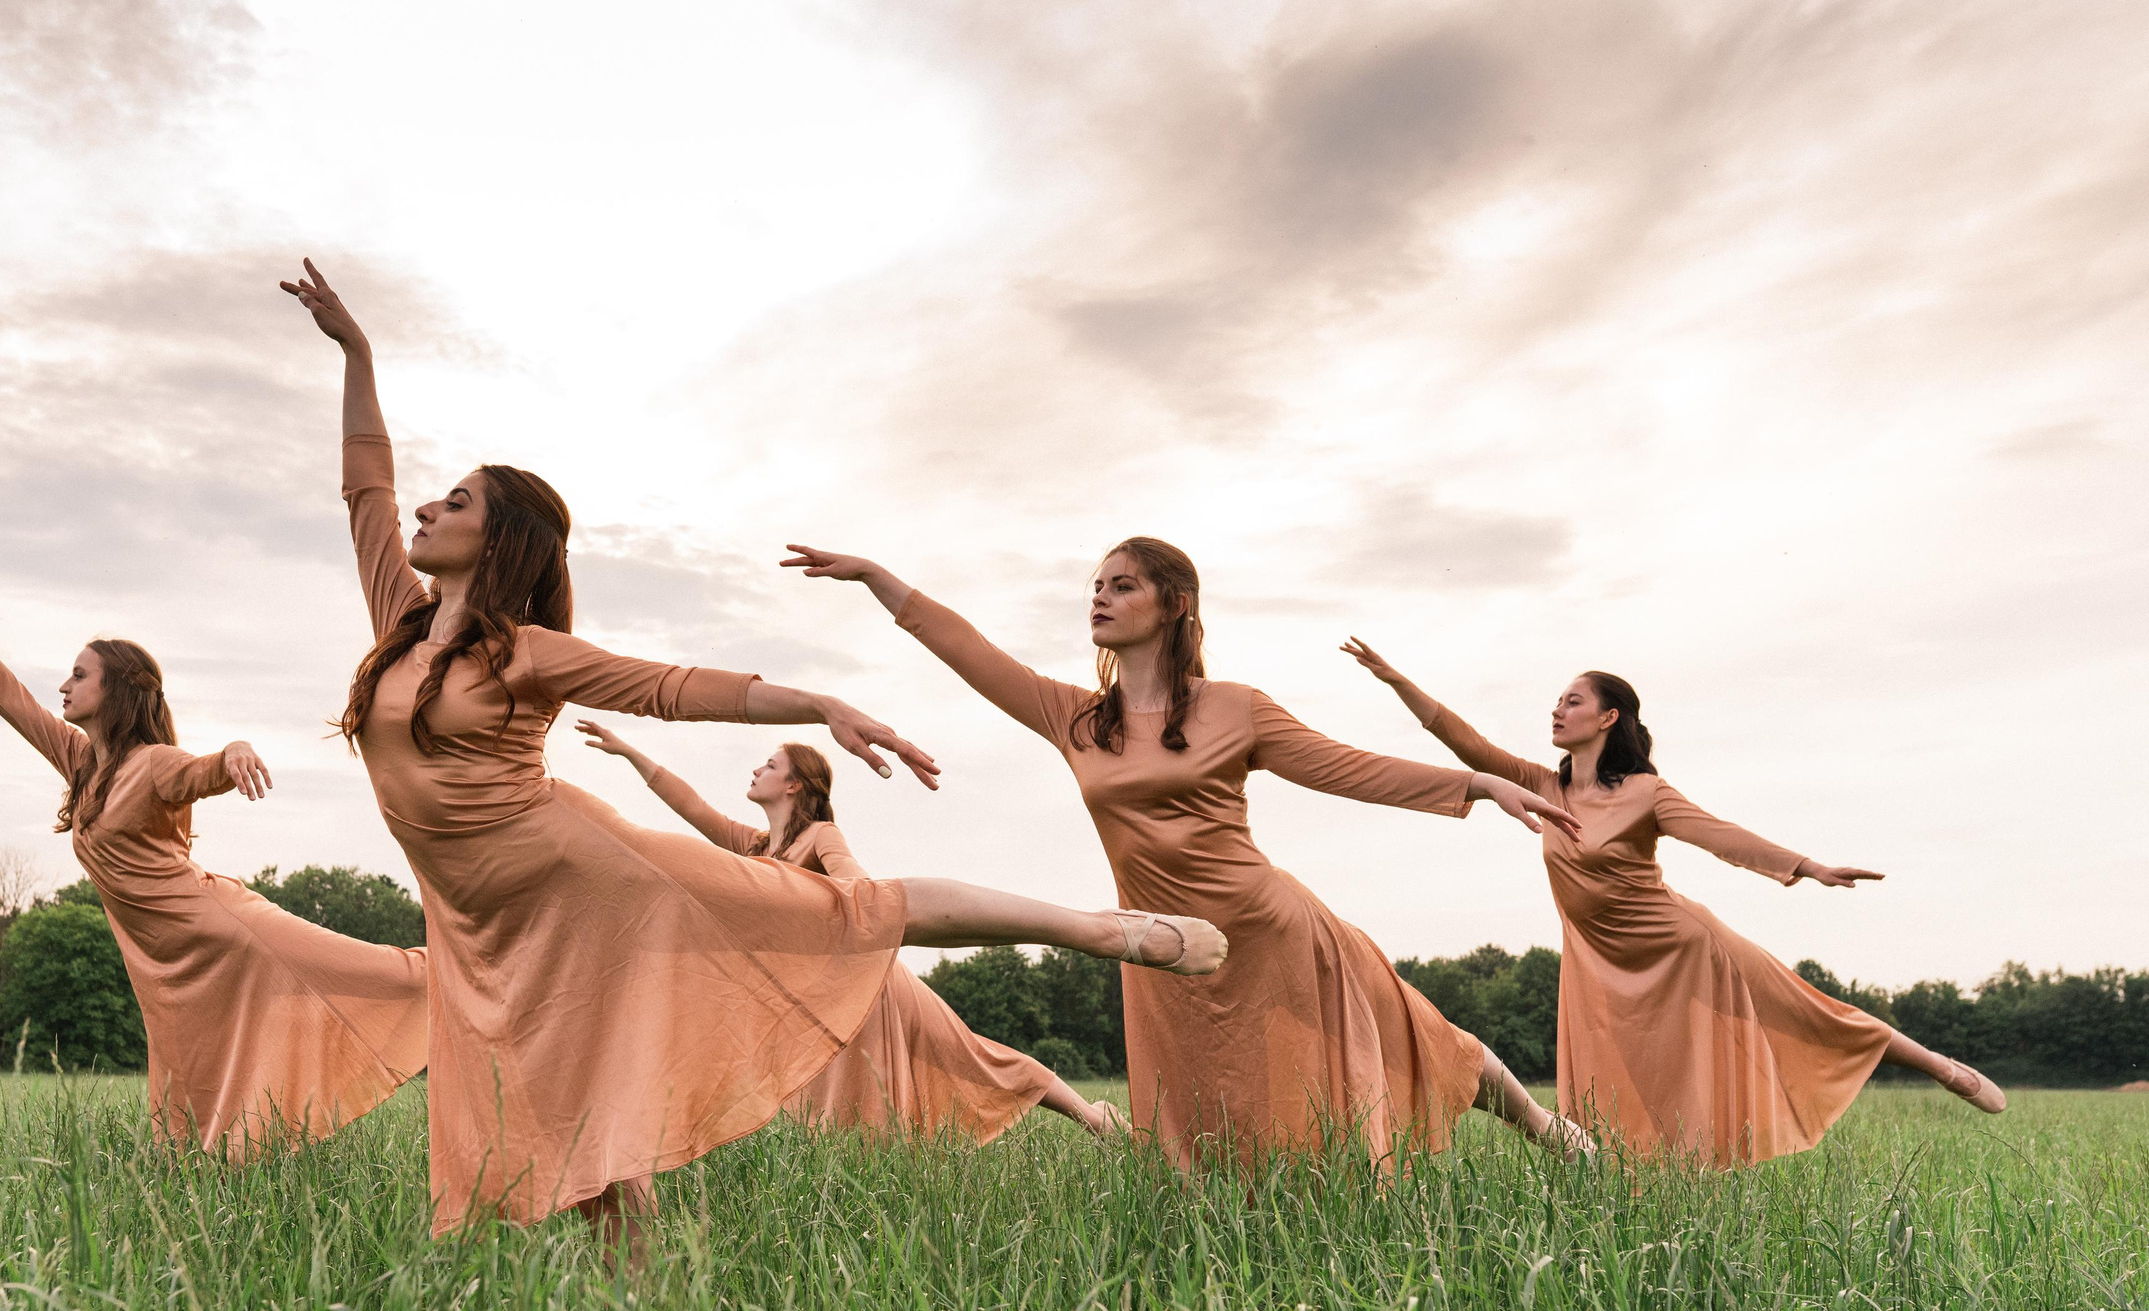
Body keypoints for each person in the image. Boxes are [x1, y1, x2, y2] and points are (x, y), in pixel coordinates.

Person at [281, 260, 1223, 1255]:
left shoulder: (527, 652)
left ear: (499, 540)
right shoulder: (399, 621)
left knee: (854, 912)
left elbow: (675, 687)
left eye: (454, 501)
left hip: (580, 877)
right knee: (568, 1106)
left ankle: (1106, 932)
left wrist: (816, 701)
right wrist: (358, 352)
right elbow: (365, 488)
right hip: (477, 914)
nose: (426, 510)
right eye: (434, 499)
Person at [787, 539, 1594, 1172]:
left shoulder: (1237, 710)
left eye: (1122, 584)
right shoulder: (1075, 718)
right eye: (1095, 587)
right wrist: (877, 579)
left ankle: (1543, 1126)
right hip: (1163, 948)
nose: (1100, 597)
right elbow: (970, 651)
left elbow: (1347, 767)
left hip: (1275, 928)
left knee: (1420, 1034)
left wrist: (1479, 784)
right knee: (1205, 1116)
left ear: (1175, 606)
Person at [1340, 640, 2006, 1163]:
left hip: (1681, 944)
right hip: (1599, 960)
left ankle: (1939, 1066)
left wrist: (1807, 866)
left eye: (1571, 701)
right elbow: (1467, 746)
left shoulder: (1646, 793)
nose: (1556, 710)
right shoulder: (1540, 783)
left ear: (1607, 717)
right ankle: (1626, 1182)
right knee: (1619, 1082)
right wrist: (1396, 681)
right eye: (1555, 701)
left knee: (1805, 1012)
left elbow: (1719, 835)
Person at [0, 571, 429, 1160]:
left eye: (80, 675)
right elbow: (7, 695)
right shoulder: (81, 761)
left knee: (380, 975)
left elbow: (203, 771)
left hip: (221, 930)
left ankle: (476, 977)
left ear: (116, 691)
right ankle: (219, 1168)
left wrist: (235, 750)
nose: (64, 685)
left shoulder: (154, 763)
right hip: (164, 962)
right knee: (187, 1078)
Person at [576, 721, 1128, 1143]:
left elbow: (859, 885)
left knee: (969, 1054)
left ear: (793, 784)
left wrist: (817, 902)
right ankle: (865, 1158)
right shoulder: (755, 848)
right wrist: (630, 753)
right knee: (831, 1081)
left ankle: (1094, 1116)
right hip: (821, 988)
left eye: (767, 765)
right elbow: (692, 807)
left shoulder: (820, 835)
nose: (754, 771)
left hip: (871, 979)